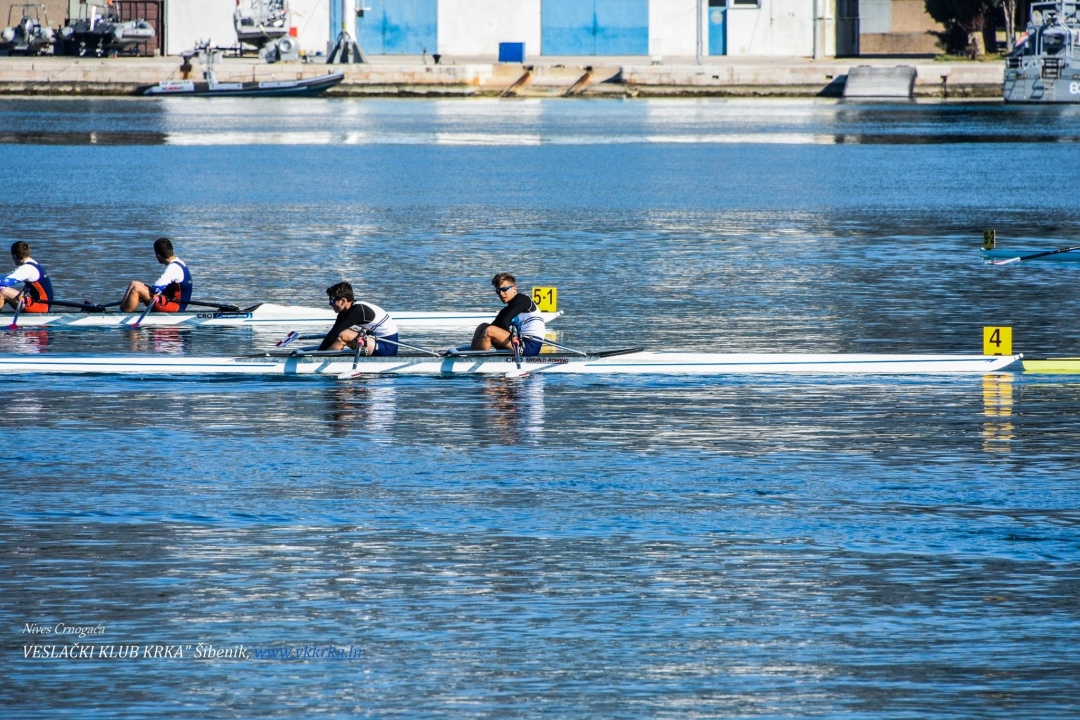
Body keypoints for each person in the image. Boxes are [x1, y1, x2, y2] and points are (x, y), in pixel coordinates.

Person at [470, 273, 546, 356]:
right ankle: (471, 356)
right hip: (518, 342)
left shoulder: (523, 299)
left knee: (489, 331)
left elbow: (503, 322)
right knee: (483, 327)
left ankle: (476, 360)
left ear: (514, 288)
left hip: (529, 346)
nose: (501, 294)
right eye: (498, 291)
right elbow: (496, 325)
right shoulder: (508, 309)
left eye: (505, 289)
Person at [318, 281, 400, 356]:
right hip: (376, 341)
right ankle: (329, 358)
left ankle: (322, 360)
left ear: (343, 301)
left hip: (388, 347)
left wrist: (317, 355)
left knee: (344, 335)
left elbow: (333, 334)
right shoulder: (345, 312)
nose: (329, 303)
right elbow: (332, 334)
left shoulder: (357, 310)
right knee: (342, 334)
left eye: (332, 300)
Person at [120, 238, 192, 313]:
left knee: (137, 289)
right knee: (134, 283)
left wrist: (143, 295)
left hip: (175, 307)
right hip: (170, 302)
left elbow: (156, 288)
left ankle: (123, 316)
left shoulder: (173, 268)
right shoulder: (180, 263)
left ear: (158, 255)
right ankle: (120, 311)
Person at [1, 241, 54, 313]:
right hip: (38, 303)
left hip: (40, 307)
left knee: (4, 291)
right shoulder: (33, 264)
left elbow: (6, 282)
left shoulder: (27, 269)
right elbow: (7, 277)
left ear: (15, 256)